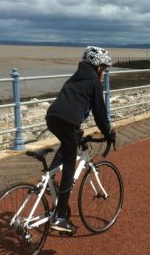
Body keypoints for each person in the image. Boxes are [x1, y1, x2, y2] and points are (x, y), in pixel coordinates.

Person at [45, 46, 116, 233]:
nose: (104, 72)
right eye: (104, 68)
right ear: (98, 67)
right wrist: (108, 133)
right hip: (68, 121)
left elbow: (70, 101)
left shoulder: (75, 77)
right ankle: (59, 217)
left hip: (52, 118)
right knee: (69, 168)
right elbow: (100, 113)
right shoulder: (94, 82)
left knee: (69, 142)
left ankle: (49, 180)